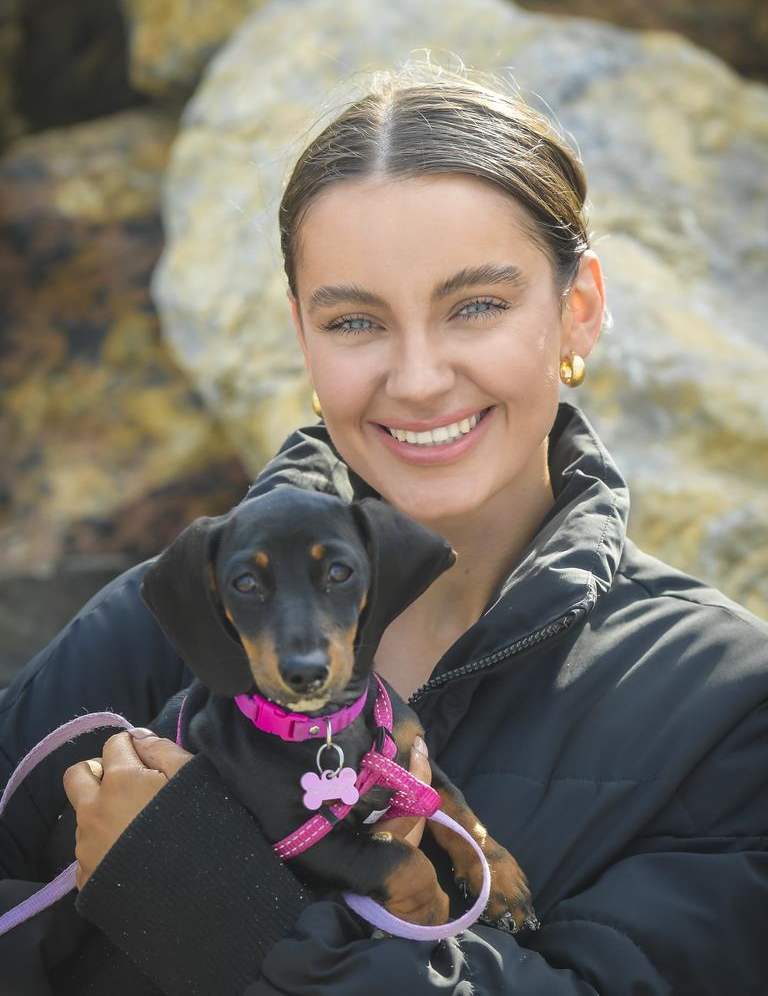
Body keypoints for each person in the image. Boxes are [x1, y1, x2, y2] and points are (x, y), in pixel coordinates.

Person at [1, 69, 767, 995]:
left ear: (579, 310)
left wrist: (215, 900)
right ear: (304, 338)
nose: (415, 377)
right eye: (355, 319)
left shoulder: (724, 705)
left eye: (476, 305)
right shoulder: (162, 619)